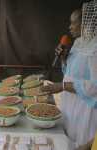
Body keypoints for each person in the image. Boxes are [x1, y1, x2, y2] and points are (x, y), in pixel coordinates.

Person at [41, 1, 97, 149]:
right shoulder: (79, 43)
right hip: (70, 105)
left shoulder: (95, 49)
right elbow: (69, 73)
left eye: (73, 23)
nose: (69, 27)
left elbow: (94, 87)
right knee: (67, 143)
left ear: (86, 24)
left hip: (85, 111)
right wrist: (64, 58)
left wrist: (63, 86)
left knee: (80, 144)